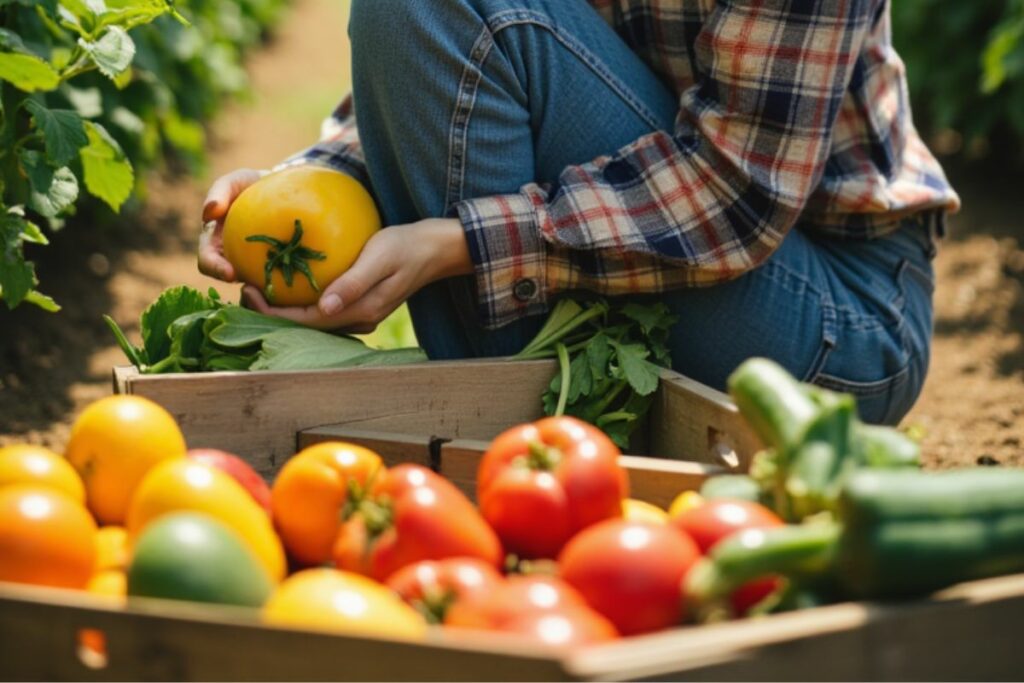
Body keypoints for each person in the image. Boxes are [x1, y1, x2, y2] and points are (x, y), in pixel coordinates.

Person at [199, 0, 959, 425]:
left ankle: (511, 442)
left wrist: (464, 244)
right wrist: (313, 186)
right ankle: (530, 444)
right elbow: (461, 57)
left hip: (836, 315)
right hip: (659, 246)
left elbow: (736, 195)